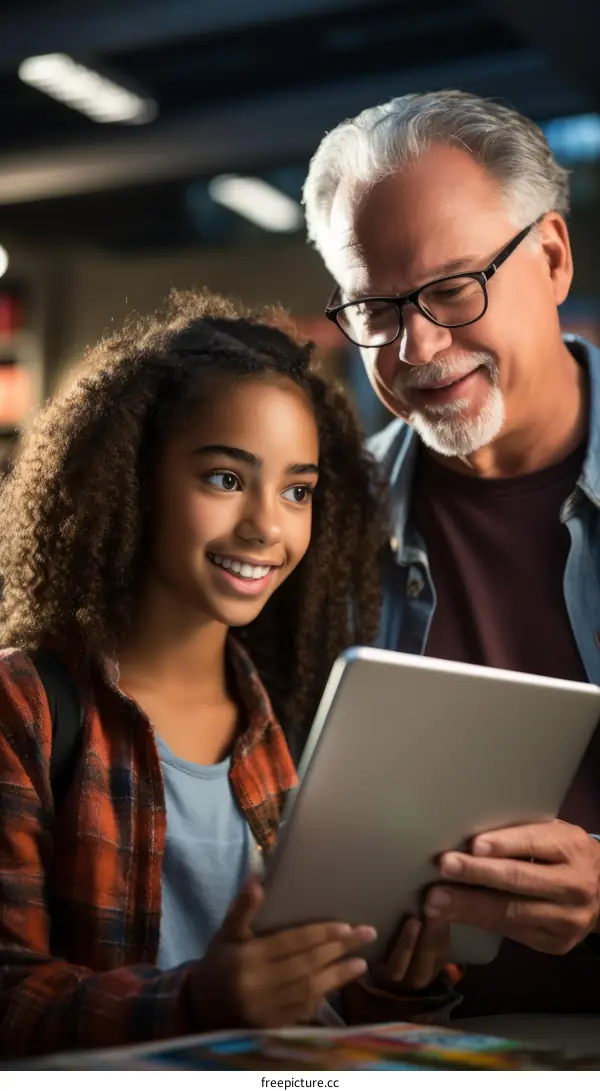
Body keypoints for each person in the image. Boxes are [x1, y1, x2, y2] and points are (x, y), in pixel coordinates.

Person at [0, 290, 458, 1060]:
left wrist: (395, 984)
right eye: (224, 478)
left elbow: (319, 1005)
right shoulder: (28, 707)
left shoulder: (292, 715)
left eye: (298, 490)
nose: (267, 526)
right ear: (132, 478)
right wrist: (199, 1002)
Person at [304, 90, 600, 1018]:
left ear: (551, 257)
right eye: (375, 308)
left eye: (449, 289)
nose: (418, 345)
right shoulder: (314, 527)